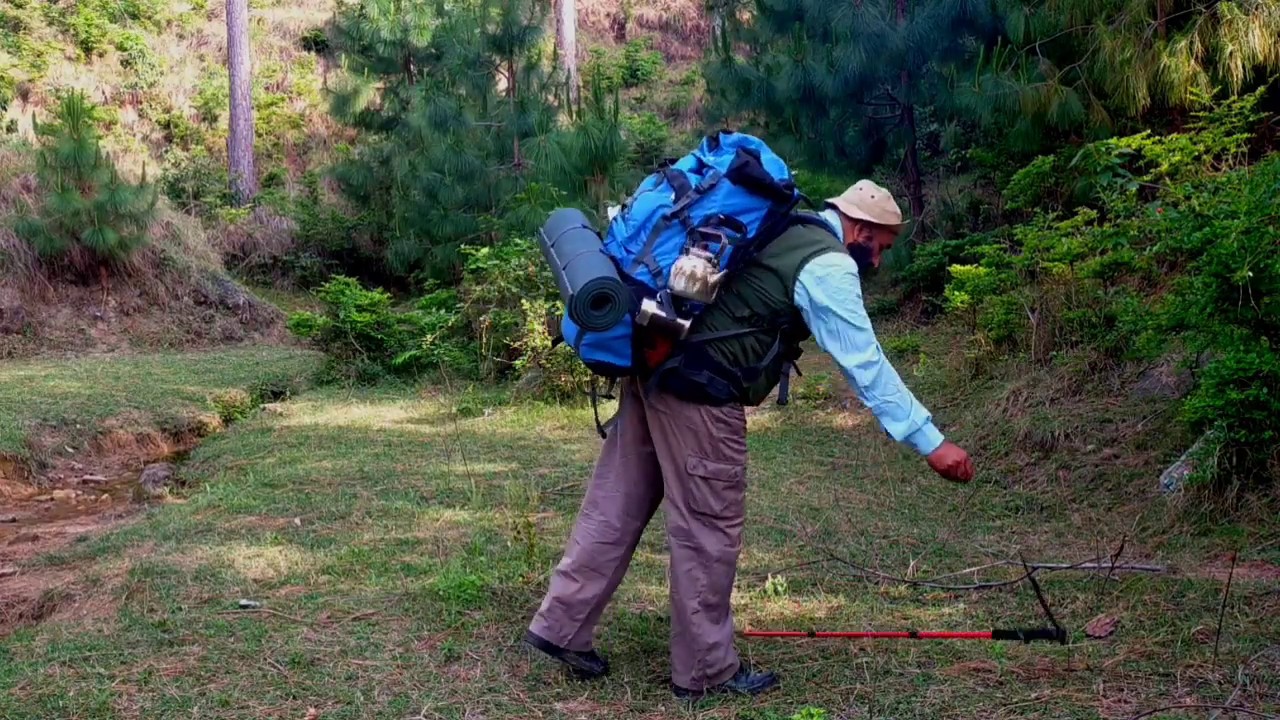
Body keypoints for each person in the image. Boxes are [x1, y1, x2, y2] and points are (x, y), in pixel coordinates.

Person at [523, 180, 976, 700]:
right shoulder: (826, 263)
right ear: (862, 230)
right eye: (882, 247)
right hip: (701, 392)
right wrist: (930, 441)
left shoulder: (784, 227)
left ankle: (559, 626)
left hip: (655, 364)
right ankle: (705, 671)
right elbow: (864, 362)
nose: (878, 260)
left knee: (614, 505)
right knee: (707, 527)